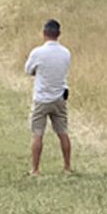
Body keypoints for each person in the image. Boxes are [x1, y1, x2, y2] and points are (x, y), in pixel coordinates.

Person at [24, 18, 71, 175]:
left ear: (44, 33)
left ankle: (35, 169)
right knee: (63, 132)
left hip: (41, 98)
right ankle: (67, 167)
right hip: (59, 97)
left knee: (38, 133)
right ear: (59, 34)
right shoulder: (66, 53)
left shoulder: (37, 53)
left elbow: (28, 70)